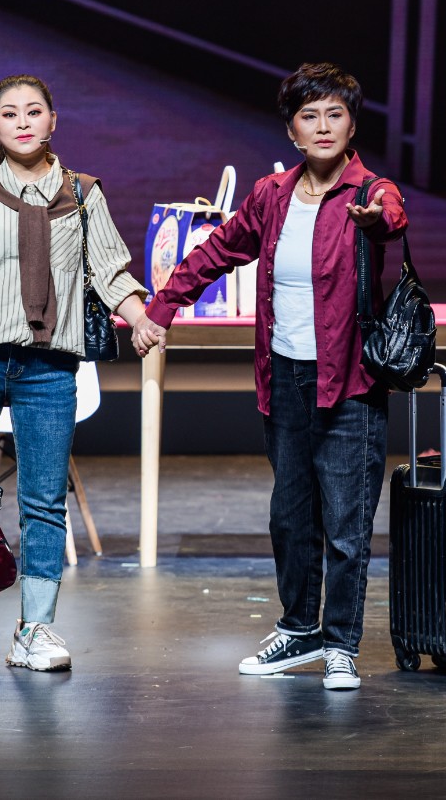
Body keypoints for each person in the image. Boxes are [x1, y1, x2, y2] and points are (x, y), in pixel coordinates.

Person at [145, 62, 407, 691]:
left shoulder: (371, 190)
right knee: (290, 517)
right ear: (292, 130)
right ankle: (299, 630)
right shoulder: (272, 195)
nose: (323, 126)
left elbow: (393, 218)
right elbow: (219, 249)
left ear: (351, 125)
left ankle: (340, 643)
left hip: (350, 383)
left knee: (346, 523)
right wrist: (165, 303)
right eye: (309, 116)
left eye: (335, 114)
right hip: (284, 378)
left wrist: (375, 220)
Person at [0, 74, 166, 671]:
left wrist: (140, 320)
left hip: (48, 369)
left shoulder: (83, 194)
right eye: (9, 113)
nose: (22, 122)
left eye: (33, 111)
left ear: (53, 120)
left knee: (45, 502)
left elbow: (111, 271)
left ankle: (35, 628)